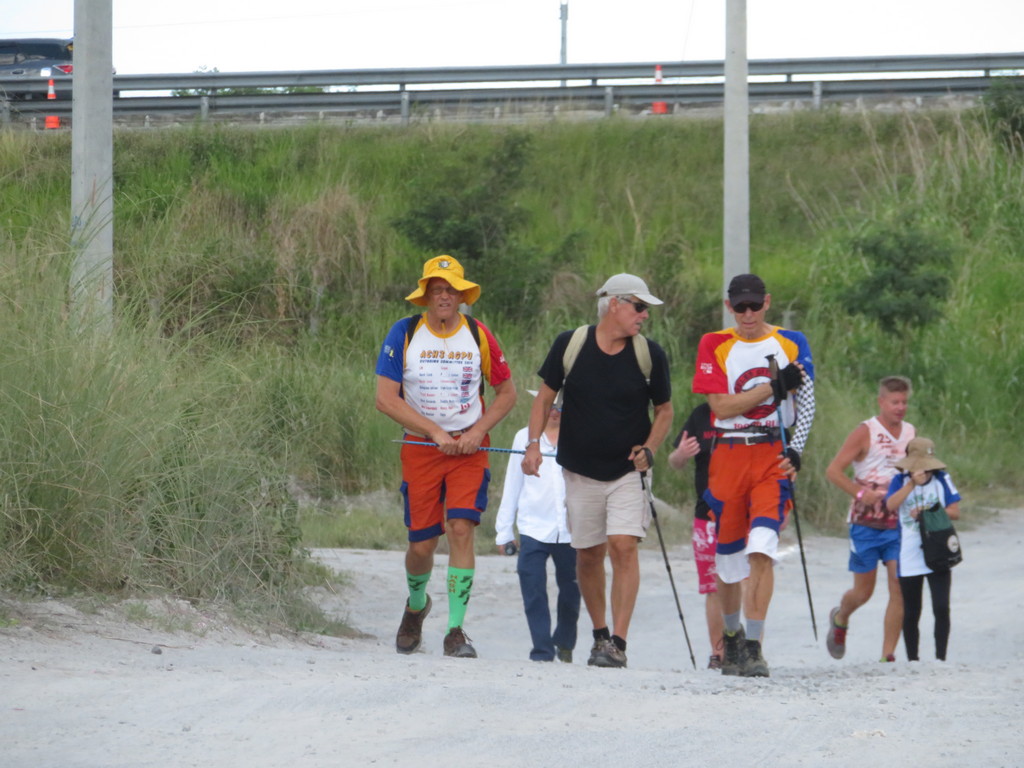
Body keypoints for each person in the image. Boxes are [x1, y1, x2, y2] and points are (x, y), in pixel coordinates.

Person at [521, 274, 673, 669]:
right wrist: (534, 444)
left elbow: (664, 411)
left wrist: (650, 449)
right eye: (639, 307)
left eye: (646, 309)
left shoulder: (650, 355)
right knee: (588, 555)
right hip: (579, 470)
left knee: (623, 545)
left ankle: (618, 642)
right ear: (614, 304)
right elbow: (544, 398)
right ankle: (600, 635)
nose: (644, 315)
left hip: (627, 471)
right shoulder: (570, 345)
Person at [375, 255, 517, 658]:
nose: (444, 296)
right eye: (436, 289)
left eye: (451, 290)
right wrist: (433, 431)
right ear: (425, 295)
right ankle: (416, 605)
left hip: (469, 450)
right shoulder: (404, 333)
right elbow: (385, 398)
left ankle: (455, 630)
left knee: (461, 527)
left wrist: (478, 431)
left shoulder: (477, 333)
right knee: (422, 544)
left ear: (462, 296)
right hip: (421, 448)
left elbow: (507, 393)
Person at [692, 273, 815, 678]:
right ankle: (731, 637)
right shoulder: (714, 343)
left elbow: (807, 400)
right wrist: (772, 387)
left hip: (771, 455)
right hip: (727, 454)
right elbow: (721, 407)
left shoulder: (792, 342)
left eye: (755, 305)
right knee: (728, 562)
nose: (748, 313)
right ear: (729, 306)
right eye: (740, 306)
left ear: (767, 302)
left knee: (762, 547)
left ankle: (754, 645)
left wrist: (796, 449)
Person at [824, 376, 916, 663]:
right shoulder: (866, 431)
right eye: (895, 402)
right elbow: (833, 471)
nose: (900, 407)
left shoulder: (910, 433)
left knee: (898, 585)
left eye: (904, 402)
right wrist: (861, 493)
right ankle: (840, 617)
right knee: (863, 592)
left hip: (897, 524)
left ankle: (888, 654)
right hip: (865, 523)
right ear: (881, 402)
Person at [495, 393, 580, 663]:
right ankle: (542, 650)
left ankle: (565, 641)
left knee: (571, 590)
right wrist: (504, 530)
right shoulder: (524, 438)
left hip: (570, 528)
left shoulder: (579, 435)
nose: (555, 411)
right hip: (533, 526)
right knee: (532, 588)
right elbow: (512, 483)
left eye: (561, 406)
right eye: (550, 405)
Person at [885, 437, 962, 661]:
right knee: (912, 610)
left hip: (938, 548)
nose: (923, 471)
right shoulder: (899, 480)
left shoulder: (941, 479)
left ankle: (941, 658)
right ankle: (913, 659)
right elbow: (890, 505)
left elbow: (955, 511)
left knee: (941, 607)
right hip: (909, 552)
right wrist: (911, 484)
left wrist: (928, 512)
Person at [667, 402, 726, 670]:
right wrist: (680, 454)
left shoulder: (753, 409)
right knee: (712, 587)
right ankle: (718, 652)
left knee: (745, 581)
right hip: (707, 514)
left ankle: (749, 647)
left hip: (746, 512)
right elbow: (675, 462)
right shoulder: (702, 414)